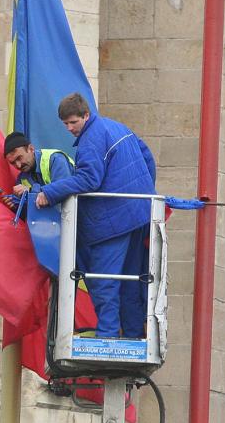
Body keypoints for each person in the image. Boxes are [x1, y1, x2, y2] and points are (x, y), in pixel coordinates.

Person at [35, 93, 156, 339]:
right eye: (65, 124)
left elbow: (89, 178)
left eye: (73, 122)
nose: (70, 129)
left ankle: (108, 338)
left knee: (104, 281)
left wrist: (49, 192)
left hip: (112, 221)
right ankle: (132, 336)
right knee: (129, 280)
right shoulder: (117, 127)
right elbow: (148, 159)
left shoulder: (90, 139)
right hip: (139, 214)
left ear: (86, 115)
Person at [1, 131, 74, 216]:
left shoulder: (55, 159)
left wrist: (31, 191)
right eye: (13, 163)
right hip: (53, 222)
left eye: (19, 158)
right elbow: (31, 213)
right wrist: (16, 206)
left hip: (75, 219)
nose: (18, 165)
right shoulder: (22, 177)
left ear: (31, 149)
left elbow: (63, 189)